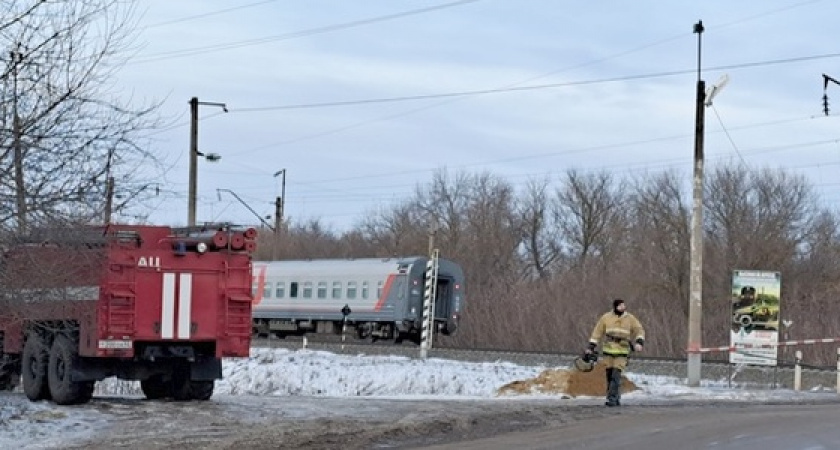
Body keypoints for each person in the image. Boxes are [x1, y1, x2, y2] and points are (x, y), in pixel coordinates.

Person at [584, 298, 645, 407]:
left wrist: (639, 342)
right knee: (609, 374)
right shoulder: (606, 318)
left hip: (622, 351)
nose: (623, 307)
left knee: (616, 375)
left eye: (624, 305)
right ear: (615, 307)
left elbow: (639, 330)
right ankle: (615, 397)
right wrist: (591, 346)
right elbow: (597, 332)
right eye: (621, 306)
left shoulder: (630, 318)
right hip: (608, 351)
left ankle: (611, 398)